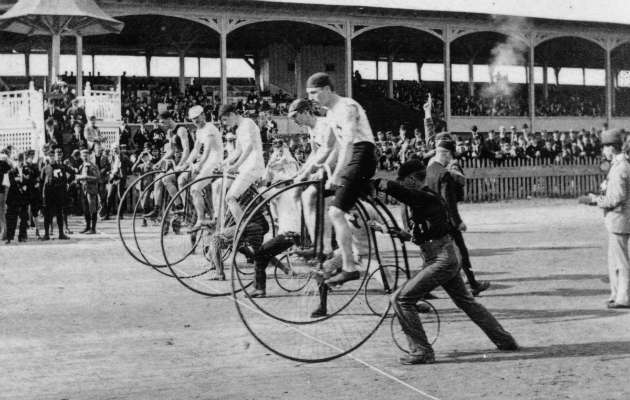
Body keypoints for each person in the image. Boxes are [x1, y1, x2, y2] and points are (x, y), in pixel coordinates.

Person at [373, 161, 518, 365]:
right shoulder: (425, 200)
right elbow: (425, 234)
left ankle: (422, 351)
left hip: (441, 259)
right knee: (466, 302)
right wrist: (396, 232)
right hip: (443, 256)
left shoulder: (425, 197)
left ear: (412, 180)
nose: (402, 185)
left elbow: (403, 194)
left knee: (401, 299)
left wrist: (377, 183)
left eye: (403, 181)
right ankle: (505, 340)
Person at [306, 72, 377, 286]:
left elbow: (347, 144)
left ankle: (349, 267)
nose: (311, 98)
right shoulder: (330, 113)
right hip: (353, 157)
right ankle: (327, 249)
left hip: (362, 155)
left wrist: (336, 174)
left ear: (327, 89)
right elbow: (329, 147)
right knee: (324, 201)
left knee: (336, 212)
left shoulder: (346, 107)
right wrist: (312, 170)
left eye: (314, 93)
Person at [582, 129, 630, 308]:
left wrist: (595, 200)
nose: (603, 151)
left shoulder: (620, 168)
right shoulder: (618, 166)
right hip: (618, 219)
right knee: (615, 260)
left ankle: (624, 297)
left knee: (621, 261)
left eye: (605, 147)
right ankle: (616, 294)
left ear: (612, 148)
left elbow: (617, 198)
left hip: (620, 219)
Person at [289, 98, 337, 258]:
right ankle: (309, 238)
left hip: (334, 167)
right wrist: (301, 171)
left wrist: (307, 173)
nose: (294, 120)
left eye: (295, 116)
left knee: (308, 196)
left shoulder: (323, 125)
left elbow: (329, 151)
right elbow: (315, 153)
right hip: (323, 167)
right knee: (296, 193)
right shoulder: (311, 128)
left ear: (305, 112)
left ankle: (320, 245)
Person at [177, 105, 223, 230]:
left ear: (203, 115)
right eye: (193, 119)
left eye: (197, 117)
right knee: (186, 181)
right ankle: (194, 212)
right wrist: (185, 164)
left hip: (214, 162)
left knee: (194, 189)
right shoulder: (199, 131)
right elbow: (195, 149)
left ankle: (201, 218)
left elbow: (207, 150)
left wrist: (200, 165)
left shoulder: (210, 128)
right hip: (207, 163)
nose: (196, 121)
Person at [219, 104, 265, 224]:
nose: (225, 123)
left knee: (230, 197)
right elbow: (238, 151)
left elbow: (250, 147)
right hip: (246, 167)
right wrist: (223, 162)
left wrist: (236, 166)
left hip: (253, 166)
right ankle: (228, 221)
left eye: (225, 119)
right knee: (221, 186)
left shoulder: (248, 123)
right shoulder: (239, 129)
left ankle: (244, 229)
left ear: (232, 114)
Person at [40, 148, 71, 240]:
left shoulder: (61, 168)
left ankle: (61, 233)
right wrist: (42, 195)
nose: (52, 158)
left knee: (59, 214)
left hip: (58, 194)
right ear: (48, 157)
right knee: (47, 215)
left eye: (53, 156)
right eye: (50, 156)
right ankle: (46, 234)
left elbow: (64, 181)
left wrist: (64, 194)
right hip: (48, 194)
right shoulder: (45, 168)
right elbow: (41, 183)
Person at [76, 149, 100, 234]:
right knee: (85, 209)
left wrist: (85, 177)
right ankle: (87, 226)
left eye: (86, 155)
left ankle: (93, 228)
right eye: (83, 156)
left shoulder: (93, 166)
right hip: (83, 190)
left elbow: (97, 178)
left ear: (89, 156)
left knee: (92, 209)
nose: (85, 157)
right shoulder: (81, 166)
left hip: (91, 190)